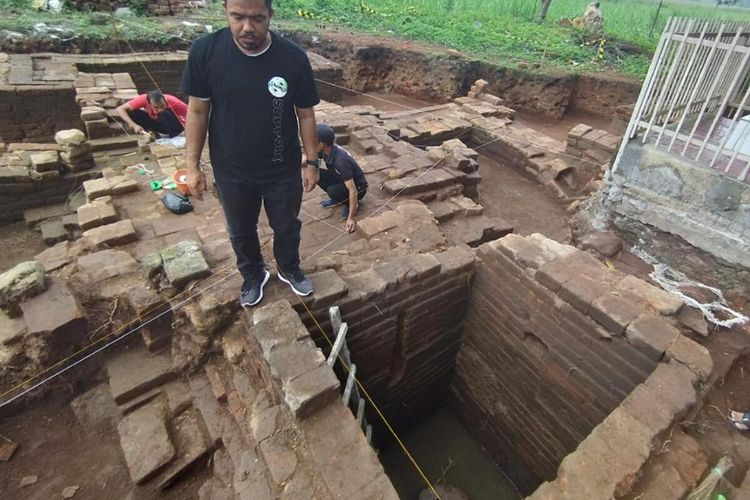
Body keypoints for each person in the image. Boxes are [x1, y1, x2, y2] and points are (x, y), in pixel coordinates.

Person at [181, 0, 321, 308]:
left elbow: (306, 114)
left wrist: (312, 161)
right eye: (238, 17)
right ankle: (253, 274)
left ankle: (288, 267)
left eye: (257, 18)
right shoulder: (206, 52)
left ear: (270, 15)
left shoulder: (292, 58)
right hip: (231, 170)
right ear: (226, 12)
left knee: (287, 225)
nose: (247, 27)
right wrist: (192, 166)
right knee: (240, 229)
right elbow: (198, 110)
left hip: (282, 167)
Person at [316, 124, 367, 233]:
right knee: (315, 174)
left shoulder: (341, 161)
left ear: (321, 144)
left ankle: (351, 204)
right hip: (340, 178)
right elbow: (312, 158)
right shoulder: (326, 150)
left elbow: (353, 189)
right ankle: (340, 197)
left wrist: (351, 218)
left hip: (358, 188)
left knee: (332, 191)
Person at [116, 90, 187, 138]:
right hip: (159, 124)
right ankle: (151, 134)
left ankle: (173, 137)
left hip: (175, 126)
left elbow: (190, 114)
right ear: (149, 103)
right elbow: (120, 109)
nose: (159, 109)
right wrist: (134, 125)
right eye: (155, 107)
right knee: (133, 113)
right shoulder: (143, 99)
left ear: (165, 101)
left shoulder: (173, 101)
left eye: (162, 106)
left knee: (165, 113)